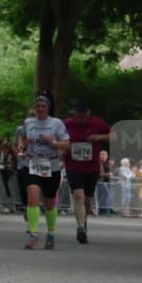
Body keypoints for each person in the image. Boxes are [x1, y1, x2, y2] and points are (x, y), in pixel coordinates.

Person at [21, 94, 70, 249]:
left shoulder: (56, 123)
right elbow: (22, 138)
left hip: (52, 166)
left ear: (48, 108)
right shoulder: (28, 122)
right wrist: (23, 145)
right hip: (33, 164)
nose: (40, 109)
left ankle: (51, 234)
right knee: (32, 194)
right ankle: (33, 234)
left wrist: (53, 142)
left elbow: (67, 145)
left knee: (49, 203)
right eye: (38, 106)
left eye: (44, 106)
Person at [63, 100, 112, 243]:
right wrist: (61, 148)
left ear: (88, 113)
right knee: (78, 196)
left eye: (84, 113)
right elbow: (58, 137)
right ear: (75, 113)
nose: (81, 116)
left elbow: (114, 135)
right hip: (73, 166)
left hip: (92, 167)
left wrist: (99, 137)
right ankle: (80, 229)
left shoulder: (97, 123)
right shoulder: (67, 123)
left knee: (87, 200)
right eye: (79, 113)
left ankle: (83, 222)